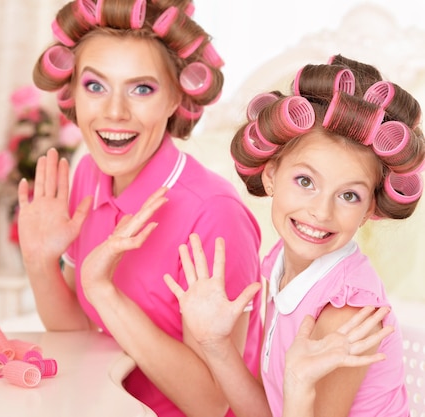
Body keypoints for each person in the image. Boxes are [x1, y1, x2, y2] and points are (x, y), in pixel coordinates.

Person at [17, 1, 263, 415]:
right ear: (73, 93)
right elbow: (80, 334)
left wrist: (105, 292)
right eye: (95, 86)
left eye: (142, 89)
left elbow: (212, 402)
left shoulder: (214, 213)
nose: (115, 111)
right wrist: (39, 263)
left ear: (175, 99)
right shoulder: (90, 177)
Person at [165, 54, 424, 416]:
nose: (321, 212)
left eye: (349, 195)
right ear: (270, 176)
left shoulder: (346, 314)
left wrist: (300, 388)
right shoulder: (282, 263)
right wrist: (216, 343)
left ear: (369, 208)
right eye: (305, 182)